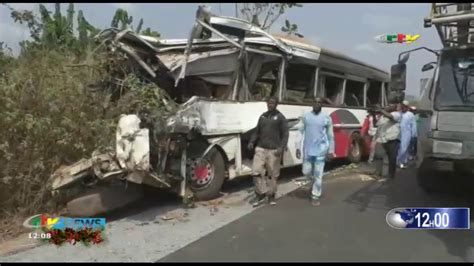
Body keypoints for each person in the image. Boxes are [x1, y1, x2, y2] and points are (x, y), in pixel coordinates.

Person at [247, 97, 289, 207]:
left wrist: (281, 147)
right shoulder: (263, 116)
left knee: (272, 175)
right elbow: (257, 131)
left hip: (274, 150)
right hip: (260, 148)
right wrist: (252, 141)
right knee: (256, 172)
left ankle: (271, 195)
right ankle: (260, 193)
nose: (270, 105)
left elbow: (285, 134)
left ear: (276, 104)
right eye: (269, 103)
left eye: (272, 103)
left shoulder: (280, 117)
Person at [297, 98, 335, 206]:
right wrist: (298, 147)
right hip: (308, 150)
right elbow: (299, 132)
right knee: (306, 172)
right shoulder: (306, 116)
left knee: (318, 174)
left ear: (321, 104)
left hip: (321, 150)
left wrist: (331, 150)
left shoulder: (327, 118)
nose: (316, 104)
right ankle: (313, 183)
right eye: (314, 102)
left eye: (319, 102)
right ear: (312, 104)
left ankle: (315, 195)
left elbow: (330, 135)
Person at [375, 103, 402, 180]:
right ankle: (378, 173)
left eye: (390, 105)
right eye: (387, 105)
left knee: (392, 159)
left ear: (394, 107)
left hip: (392, 140)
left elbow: (391, 117)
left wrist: (381, 110)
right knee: (379, 156)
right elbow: (379, 128)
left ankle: (391, 175)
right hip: (382, 140)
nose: (387, 106)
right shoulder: (382, 116)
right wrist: (375, 139)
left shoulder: (396, 114)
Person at [397, 100, 416, 169]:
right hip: (398, 133)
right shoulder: (399, 113)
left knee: (403, 148)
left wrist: (413, 135)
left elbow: (413, 125)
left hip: (407, 134)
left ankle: (400, 162)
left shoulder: (410, 115)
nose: (403, 107)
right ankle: (403, 161)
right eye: (402, 106)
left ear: (407, 107)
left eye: (404, 106)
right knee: (399, 148)